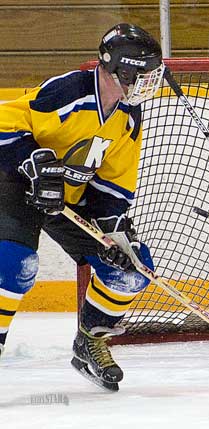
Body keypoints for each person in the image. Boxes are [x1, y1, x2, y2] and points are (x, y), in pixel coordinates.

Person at [0, 23, 165, 390]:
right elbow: (5, 122)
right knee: (14, 264)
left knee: (133, 268)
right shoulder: (68, 92)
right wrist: (32, 163)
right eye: (142, 74)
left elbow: (112, 187)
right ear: (118, 68)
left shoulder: (127, 118)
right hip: (17, 185)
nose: (148, 83)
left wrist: (113, 234)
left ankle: (90, 340)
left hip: (68, 201)